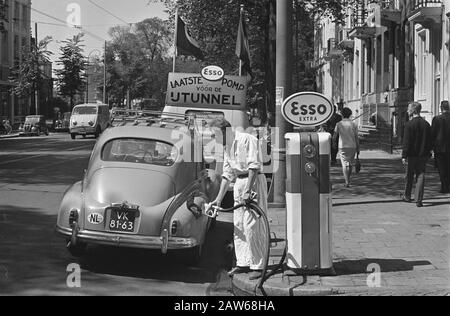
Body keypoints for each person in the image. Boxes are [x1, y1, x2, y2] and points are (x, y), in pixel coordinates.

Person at [209, 118, 268, 281]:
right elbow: (227, 175)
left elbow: (253, 166)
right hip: (239, 183)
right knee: (239, 225)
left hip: (253, 181)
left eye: (215, 134)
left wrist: (249, 190)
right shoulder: (227, 147)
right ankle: (243, 262)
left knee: (252, 225)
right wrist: (218, 200)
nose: (214, 139)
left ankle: (258, 265)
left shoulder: (247, 139)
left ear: (225, 131)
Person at [401, 102, 432, 208]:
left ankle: (407, 195)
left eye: (408, 109)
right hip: (423, 154)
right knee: (421, 175)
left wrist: (404, 155)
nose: (407, 110)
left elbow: (407, 142)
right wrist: (429, 152)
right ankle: (419, 199)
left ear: (413, 110)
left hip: (411, 154)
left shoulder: (409, 124)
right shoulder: (426, 124)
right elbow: (429, 141)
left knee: (409, 175)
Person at [333, 107, 359, 187]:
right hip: (352, 146)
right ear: (350, 114)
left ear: (342, 114)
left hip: (342, 146)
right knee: (350, 163)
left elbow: (334, 135)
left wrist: (333, 143)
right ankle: (348, 179)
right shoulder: (353, 124)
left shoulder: (339, 124)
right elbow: (356, 137)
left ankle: (347, 182)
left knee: (344, 164)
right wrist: (358, 148)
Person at [431, 101, 450, 194]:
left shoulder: (437, 119)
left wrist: (431, 147)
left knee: (442, 169)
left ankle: (444, 186)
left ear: (441, 108)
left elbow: (433, 134)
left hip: (440, 148)